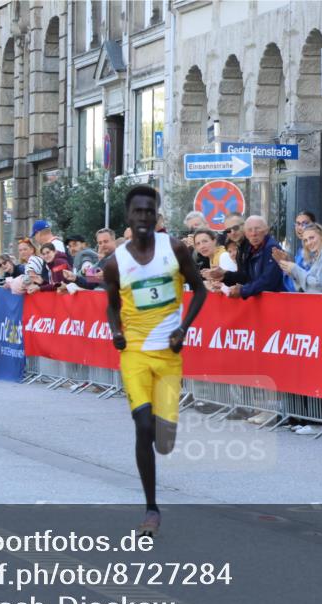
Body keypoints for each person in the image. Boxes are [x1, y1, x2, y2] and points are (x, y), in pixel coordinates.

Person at [102, 184, 206, 537]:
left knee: (163, 440)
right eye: (138, 212)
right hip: (134, 354)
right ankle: (151, 508)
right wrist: (116, 331)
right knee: (143, 426)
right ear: (128, 218)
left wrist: (184, 329)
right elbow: (112, 306)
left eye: (150, 211)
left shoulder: (174, 249)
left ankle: (164, 437)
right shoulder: (115, 263)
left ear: (157, 215)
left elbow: (200, 290)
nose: (144, 217)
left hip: (169, 355)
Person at [207, 215, 285, 299]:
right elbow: (246, 277)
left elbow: (268, 281)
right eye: (228, 230)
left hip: (275, 301)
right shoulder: (249, 247)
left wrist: (242, 290)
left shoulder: (269, 247)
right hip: (263, 301)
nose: (253, 233)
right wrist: (224, 276)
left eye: (236, 228)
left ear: (266, 230)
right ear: (246, 231)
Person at [277, 222, 322, 294]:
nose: (309, 243)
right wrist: (291, 272)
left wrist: (295, 269)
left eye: (311, 238)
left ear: (321, 236)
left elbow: (320, 285)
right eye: (305, 240)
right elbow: (303, 288)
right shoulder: (317, 255)